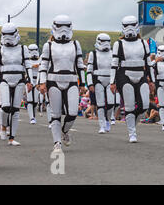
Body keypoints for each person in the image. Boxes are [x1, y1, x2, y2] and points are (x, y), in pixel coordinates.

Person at [39, 15, 86, 153]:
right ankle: (57, 142)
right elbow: (44, 65)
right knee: (55, 113)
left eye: (66, 26)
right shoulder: (48, 45)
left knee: (72, 113)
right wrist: (42, 82)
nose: (63, 30)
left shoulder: (75, 44)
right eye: (60, 26)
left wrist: (82, 83)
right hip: (53, 80)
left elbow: (79, 64)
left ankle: (64, 131)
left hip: (71, 80)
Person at [110, 15, 155, 143]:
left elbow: (148, 63)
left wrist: (152, 80)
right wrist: (112, 82)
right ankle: (132, 133)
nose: (129, 29)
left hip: (141, 75)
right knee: (129, 106)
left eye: (132, 25)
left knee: (144, 105)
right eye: (126, 26)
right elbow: (114, 64)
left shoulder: (143, 43)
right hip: (124, 75)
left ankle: (132, 122)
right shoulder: (118, 44)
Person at [0, 23, 33, 146]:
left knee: (15, 109)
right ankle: (3, 127)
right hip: (4, 79)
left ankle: (12, 138)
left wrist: (30, 81)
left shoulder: (23, 49)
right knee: (5, 106)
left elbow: (28, 65)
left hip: (19, 79)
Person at [87, 33, 114, 134]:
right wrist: (90, 84)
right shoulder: (93, 54)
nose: (106, 44)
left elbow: (116, 68)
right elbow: (89, 70)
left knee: (111, 103)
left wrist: (116, 81)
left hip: (110, 80)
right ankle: (101, 125)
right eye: (103, 41)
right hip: (98, 80)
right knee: (100, 104)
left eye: (107, 41)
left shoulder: (112, 53)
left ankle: (107, 120)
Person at [26, 44, 41, 124]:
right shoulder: (27, 60)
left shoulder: (40, 60)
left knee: (35, 101)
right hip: (29, 81)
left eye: (35, 50)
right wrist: (32, 66)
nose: (34, 52)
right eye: (32, 50)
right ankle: (31, 117)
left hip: (37, 80)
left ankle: (33, 116)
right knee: (30, 100)